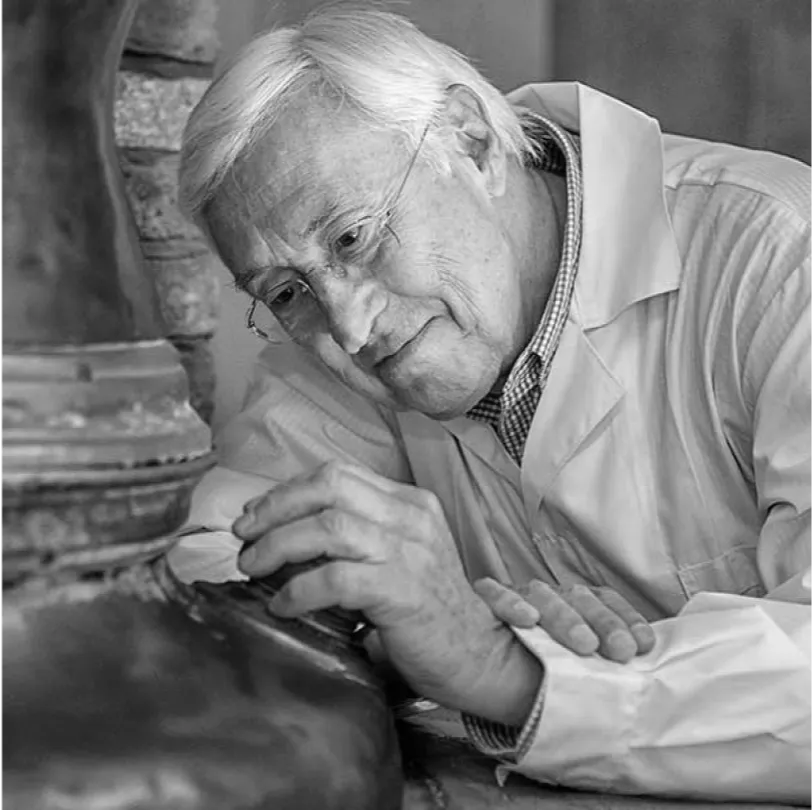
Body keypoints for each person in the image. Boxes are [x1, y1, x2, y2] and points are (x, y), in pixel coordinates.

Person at [175, 5, 812, 802]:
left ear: (470, 141)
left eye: (353, 239)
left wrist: (500, 668)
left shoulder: (784, 254)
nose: (350, 324)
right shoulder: (330, 357)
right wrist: (373, 635)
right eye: (286, 292)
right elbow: (211, 578)